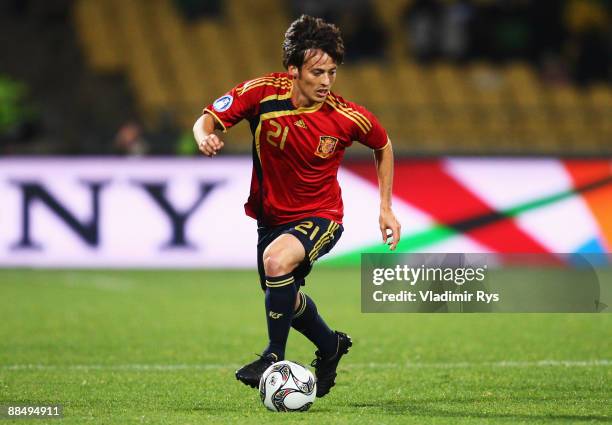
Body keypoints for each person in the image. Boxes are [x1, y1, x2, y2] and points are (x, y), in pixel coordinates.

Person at [193, 15, 401, 398]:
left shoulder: (345, 116)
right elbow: (205, 120)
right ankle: (331, 345)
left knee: (276, 263)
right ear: (293, 69)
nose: (325, 82)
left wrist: (385, 207)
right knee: (283, 291)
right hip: (271, 217)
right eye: (317, 72)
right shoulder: (261, 93)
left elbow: (383, 145)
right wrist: (205, 137)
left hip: (322, 215)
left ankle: (274, 357)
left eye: (332, 73)